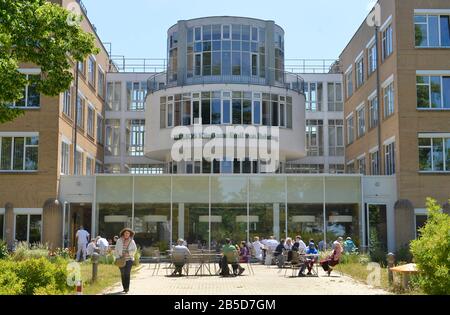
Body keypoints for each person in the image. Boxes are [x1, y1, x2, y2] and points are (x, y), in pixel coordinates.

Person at [114, 228, 137, 293]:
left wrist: (129, 252)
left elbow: (134, 249)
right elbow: (116, 250)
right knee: (123, 274)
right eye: (125, 233)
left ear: (130, 234)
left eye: (128, 233)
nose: (127, 234)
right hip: (121, 260)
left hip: (129, 260)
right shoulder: (119, 240)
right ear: (123, 233)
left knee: (127, 273)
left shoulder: (132, 241)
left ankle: (127, 288)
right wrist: (118, 257)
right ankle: (124, 287)